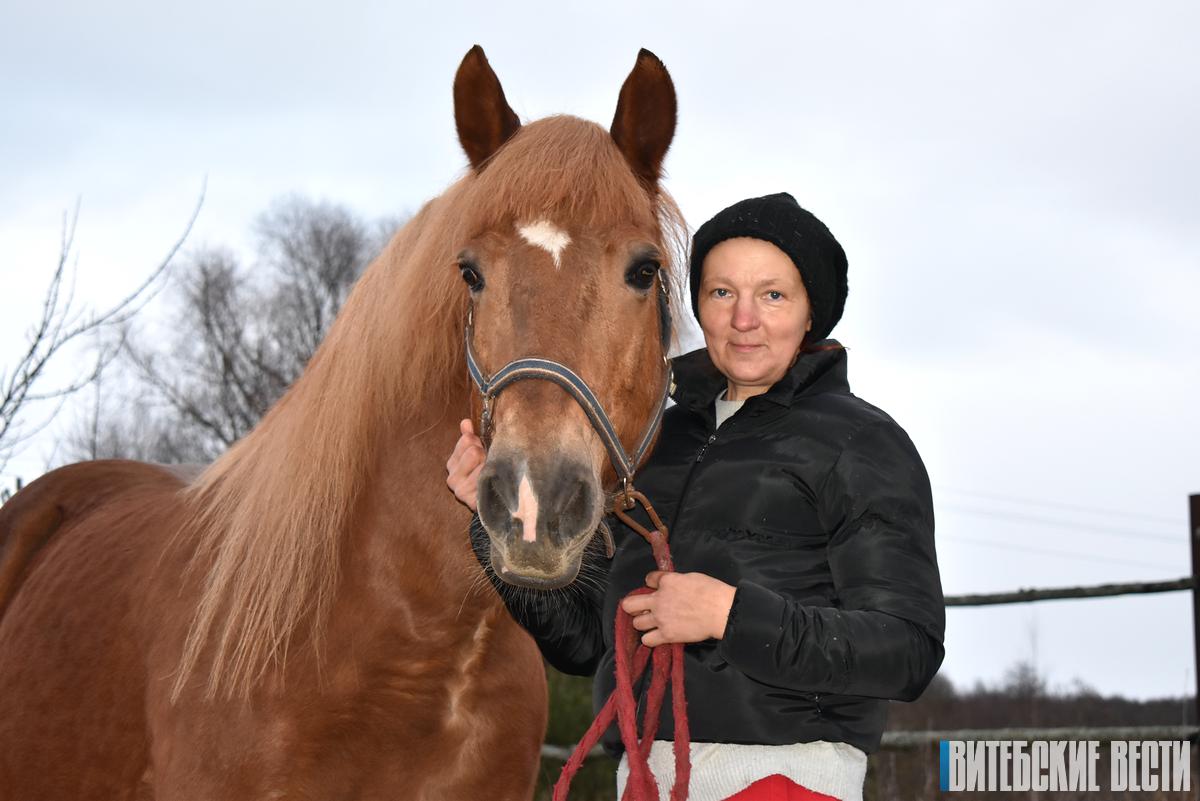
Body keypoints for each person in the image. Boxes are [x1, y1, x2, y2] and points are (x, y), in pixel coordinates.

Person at [445, 192, 945, 801]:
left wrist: (727, 617)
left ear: (811, 311)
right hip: (645, 783)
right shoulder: (657, 439)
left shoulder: (863, 443)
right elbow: (590, 643)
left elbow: (907, 650)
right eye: (722, 292)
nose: (744, 319)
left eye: (773, 295)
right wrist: (499, 521)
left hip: (785, 784)